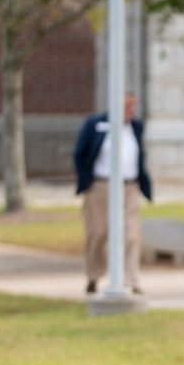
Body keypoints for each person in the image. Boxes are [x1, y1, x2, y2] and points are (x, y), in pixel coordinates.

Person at [73, 92, 152, 295]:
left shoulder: (135, 127)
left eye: (132, 106)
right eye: (126, 105)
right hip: (100, 186)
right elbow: (80, 154)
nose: (130, 110)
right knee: (97, 233)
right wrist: (86, 180)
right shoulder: (96, 124)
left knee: (131, 235)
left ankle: (131, 280)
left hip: (129, 187)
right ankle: (93, 275)